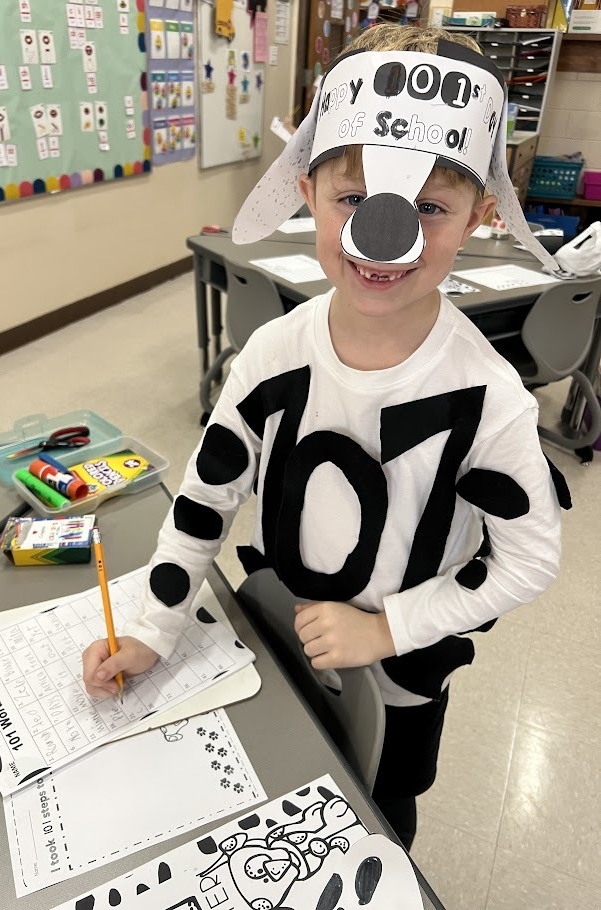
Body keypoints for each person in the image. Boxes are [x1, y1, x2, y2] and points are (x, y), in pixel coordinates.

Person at [83, 24, 570, 850]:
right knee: (283, 802)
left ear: (482, 217)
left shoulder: (486, 396)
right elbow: (207, 498)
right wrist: (154, 629)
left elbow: (528, 557)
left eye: (427, 208)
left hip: (402, 675)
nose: (386, 240)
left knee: (381, 811)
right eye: (355, 201)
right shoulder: (277, 350)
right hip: (277, 630)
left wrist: (388, 629)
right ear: (308, 191)